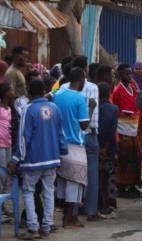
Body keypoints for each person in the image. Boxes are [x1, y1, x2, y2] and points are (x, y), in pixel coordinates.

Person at [11, 80, 68, 239]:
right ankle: (47, 226)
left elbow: (24, 138)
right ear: (44, 91)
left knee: (29, 191)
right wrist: (62, 152)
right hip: (52, 158)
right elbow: (60, 134)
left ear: (29, 92)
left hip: (33, 160)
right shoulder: (55, 108)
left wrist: (16, 159)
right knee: (49, 192)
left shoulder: (28, 110)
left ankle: (33, 227)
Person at [60, 56, 100, 221]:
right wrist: (91, 110)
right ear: (84, 73)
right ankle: (90, 211)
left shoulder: (62, 89)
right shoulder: (92, 88)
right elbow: (90, 119)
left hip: (64, 138)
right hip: (87, 135)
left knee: (68, 176)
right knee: (89, 175)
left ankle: (72, 212)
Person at [53, 67, 89, 228]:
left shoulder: (58, 94)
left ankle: (63, 216)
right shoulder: (80, 98)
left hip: (58, 143)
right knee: (75, 182)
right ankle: (69, 218)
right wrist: (92, 108)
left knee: (61, 180)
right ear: (81, 80)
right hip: (74, 144)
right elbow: (84, 124)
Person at [111, 64, 141, 196]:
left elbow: (138, 100)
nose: (130, 76)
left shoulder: (132, 88)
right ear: (120, 75)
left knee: (135, 158)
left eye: (130, 74)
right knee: (125, 159)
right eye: (126, 74)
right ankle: (123, 186)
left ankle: (133, 184)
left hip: (133, 129)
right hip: (123, 131)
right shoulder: (118, 91)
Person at [97, 82, 119, 218]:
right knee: (109, 177)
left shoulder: (92, 107)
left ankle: (98, 204)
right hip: (109, 148)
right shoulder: (113, 109)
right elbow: (112, 133)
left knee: (98, 178)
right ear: (109, 93)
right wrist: (106, 148)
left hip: (95, 146)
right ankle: (109, 205)